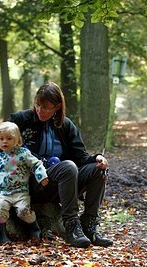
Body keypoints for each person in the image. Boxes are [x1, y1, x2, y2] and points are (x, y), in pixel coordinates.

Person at [9, 82, 113, 248]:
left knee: (98, 169)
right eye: (38, 105)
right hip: (32, 183)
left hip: (63, 184)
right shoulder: (20, 121)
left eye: (46, 107)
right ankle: (71, 225)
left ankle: (89, 224)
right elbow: (4, 150)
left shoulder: (65, 125)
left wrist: (98, 158)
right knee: (68, 167)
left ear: (57, 107)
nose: (40, 110)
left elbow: (81, 156)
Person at [0, 121, 49, 244]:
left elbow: (36, 164)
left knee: (23, 211)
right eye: (1, 139)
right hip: (3, 192)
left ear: (17, 139)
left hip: (20, 192)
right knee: (0, 210)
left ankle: (35, 229)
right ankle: (2, 235)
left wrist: (42, 177)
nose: (4, 142)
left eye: (9, 138)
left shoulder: (23, 154)